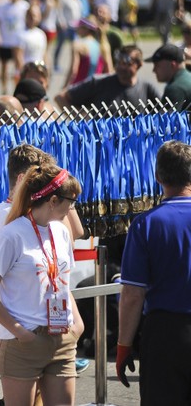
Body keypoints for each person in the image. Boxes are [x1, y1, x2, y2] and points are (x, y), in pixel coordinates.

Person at [0, 164, 84, 406]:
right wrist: (21, 333)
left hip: (62, 338)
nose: (72, 208)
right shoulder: (12, 234)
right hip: (23, 343)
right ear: (53, 200)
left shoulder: (61, 232)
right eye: (71, 201)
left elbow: (62, 283)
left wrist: (77, 324)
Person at [116, 140, 191, 405]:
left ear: (158, 176)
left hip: (164, 333)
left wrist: (123, 345)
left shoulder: (145, 225)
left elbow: (133, 294)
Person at [55, 45, 161, 110]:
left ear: (139, 65)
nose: (120, 67)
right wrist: (80, 117)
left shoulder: (146, 87)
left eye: (126, 63)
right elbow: (60, 97)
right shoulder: (99, 82)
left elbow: (164, 112)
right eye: (118, 63)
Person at [145, 43, 191, 110]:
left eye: (157, 65)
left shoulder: (175, 88)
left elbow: (167, 119)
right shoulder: (188, 76)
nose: (154, 70)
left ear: (173, 65)